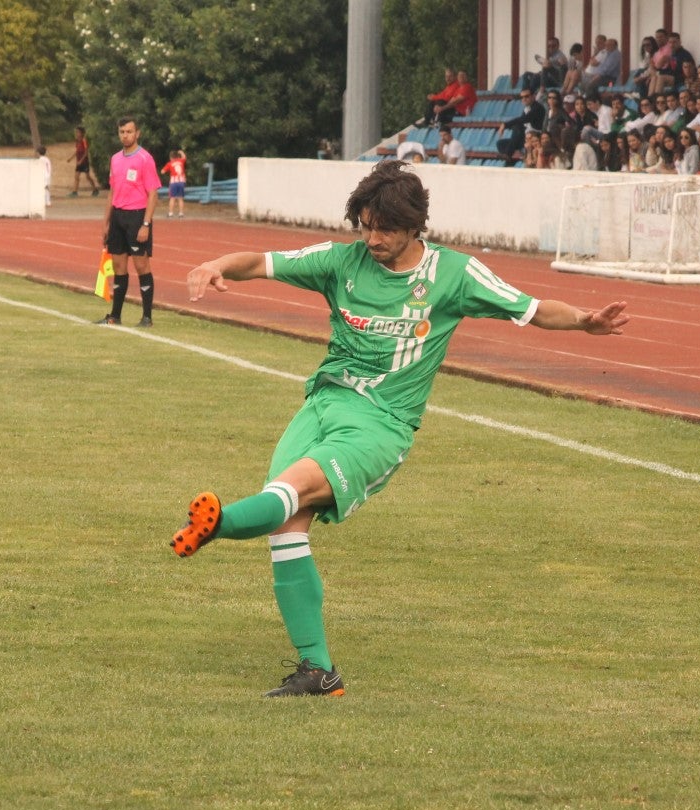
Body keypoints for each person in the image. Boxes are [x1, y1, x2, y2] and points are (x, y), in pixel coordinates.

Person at [172, 159, 629, 697]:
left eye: (384, 228)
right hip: (322, 404)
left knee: (286, 494)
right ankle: (318, 673)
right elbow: (263, 261)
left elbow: (528, 309)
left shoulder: (454, 275)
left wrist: (583, 320)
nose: (372, 238)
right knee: (286, 527)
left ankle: (218, 523)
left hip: (380, 423)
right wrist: (215, 264)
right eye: (365, 225)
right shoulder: (340, 261)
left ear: (415, 224)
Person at [99, 116, 161, 327]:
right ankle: (115, 316)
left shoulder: (145, 159)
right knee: (118, 266)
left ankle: (147, 317)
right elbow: (112, 192)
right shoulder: (115, 159)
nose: (125, 135)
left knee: (141, 265)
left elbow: (153, 194)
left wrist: (146, 224)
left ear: (137, 133)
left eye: (129, 131)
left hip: (137, 216)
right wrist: (106, 222)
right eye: (122, 132)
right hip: (118, 216)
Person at [70, 126, 101, 197]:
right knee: (76, 176)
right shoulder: (77, 141)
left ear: (81, 133)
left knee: (88, 177)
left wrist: (81, 160)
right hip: (79, 162)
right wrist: (71, 158)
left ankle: (95, 190)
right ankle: (75, 192)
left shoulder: (84, 140)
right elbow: (77, 151)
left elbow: (86, 152)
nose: (76, 133)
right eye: (76, 132)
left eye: (78, 132)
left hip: (84, 162)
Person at [161, 148, 187, 217]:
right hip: (181, 181)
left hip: (173, 182)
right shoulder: (181, 161)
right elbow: (184, 157)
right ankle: (181, 213)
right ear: (177, 156)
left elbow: (162, 171)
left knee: (172, 198)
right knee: (180, 198)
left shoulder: (170, 163)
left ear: (171, 157)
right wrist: (181, 152)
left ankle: (171, 213)